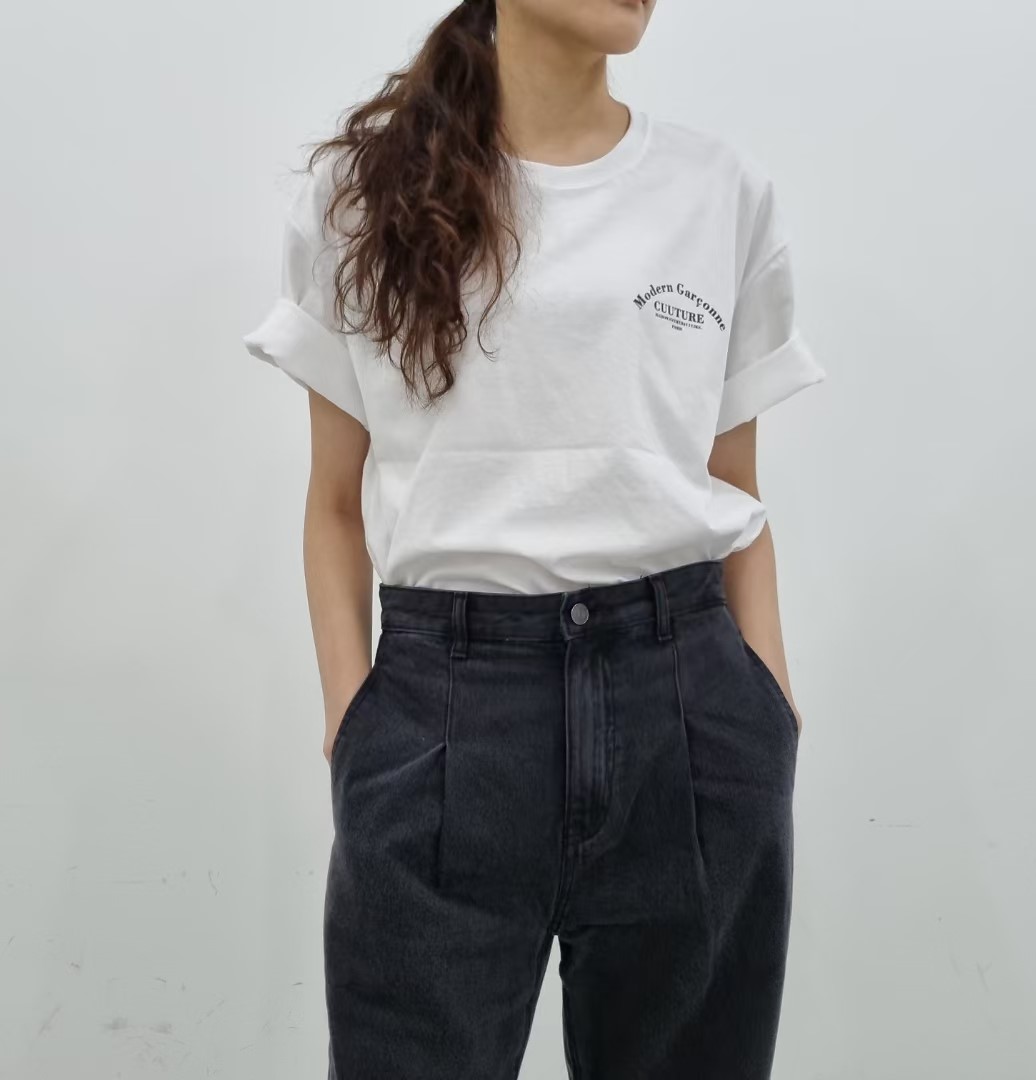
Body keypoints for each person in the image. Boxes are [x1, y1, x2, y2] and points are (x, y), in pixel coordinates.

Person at [241, 1, 825, 1076]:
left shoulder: (717, 191)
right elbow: (335, 501)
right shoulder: (360, 196)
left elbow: (735, 490)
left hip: (687, 712)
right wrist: (353, 721)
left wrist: (766, 706)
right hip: (444, 715)